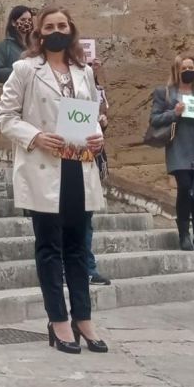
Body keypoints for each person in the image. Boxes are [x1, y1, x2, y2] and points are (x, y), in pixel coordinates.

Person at [0, 6, 108, 354]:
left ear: (71, 29)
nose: (57, 30)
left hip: (79, 165)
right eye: (49, 26)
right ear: (39, 33)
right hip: (44, 165)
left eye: (62, 25)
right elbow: (4, 115)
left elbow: (92, 115)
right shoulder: (25, 69)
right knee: (49, 248)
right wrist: (35, 137)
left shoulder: (84, 71)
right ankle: (57, 319)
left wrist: (98, 135)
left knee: (78, 247)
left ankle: (83, 318)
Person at [150, 55, 194, 251]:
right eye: (184, 68)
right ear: (177, 71)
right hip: (178, 147)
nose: (188, 71)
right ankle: (184, 234)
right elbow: (154, 119)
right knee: (185, 187)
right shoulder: (166, 93)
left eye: (191, 67)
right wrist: (174, 113)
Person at [86, 57, 112, 285]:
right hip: (58, 157)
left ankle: (88, 267)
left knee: (85, 217)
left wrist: (100, 124)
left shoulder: (92, 87)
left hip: (86, 158)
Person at [0, 5, 33, 84]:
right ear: (13, 22)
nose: (27, 23)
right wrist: (19, 71)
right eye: (23, 19)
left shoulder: (36, 45)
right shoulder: (3, 47)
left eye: (29, 20)